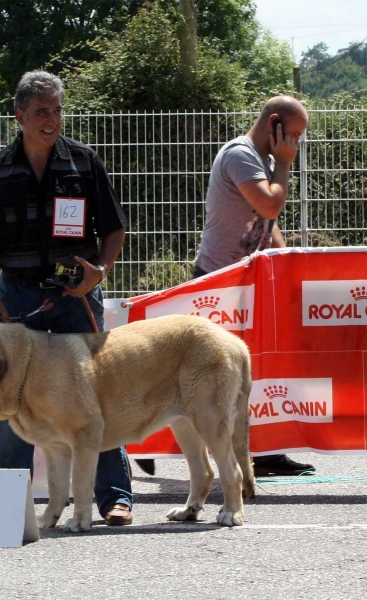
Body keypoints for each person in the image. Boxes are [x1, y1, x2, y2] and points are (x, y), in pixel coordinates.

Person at [0, 70, 133, 525]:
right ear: (20, 116)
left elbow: (114, 228)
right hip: (15, 300)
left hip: (76, 296)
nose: (51, 120)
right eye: (41, 112)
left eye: (56, 111)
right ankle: (9, 506)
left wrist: (102, 272)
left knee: (96, 394)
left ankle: (114, 497)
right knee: (7, 395)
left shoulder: (84, 161)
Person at [193, 94, 315, 477]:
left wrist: (284, 262)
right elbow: (269, 206)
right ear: (275, 124)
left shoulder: (260, 160)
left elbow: (266, 222)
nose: (295, 144)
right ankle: (155, 442)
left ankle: (265, 452)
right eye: (293, 134)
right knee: (208, 375)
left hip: (250, 281)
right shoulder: (241, 155)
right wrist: (284, 164)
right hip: (220, 282)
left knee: (256, 369)